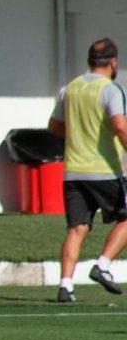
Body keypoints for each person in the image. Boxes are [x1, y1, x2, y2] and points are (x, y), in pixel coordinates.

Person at [48, 38, 127, 303]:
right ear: (113, 62)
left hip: (73, 171)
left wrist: (79, 134)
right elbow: (120, 126)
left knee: (76, 229)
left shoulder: (70, 88)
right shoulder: (111, 90)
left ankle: (65, 285)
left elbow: (54, 126)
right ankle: (103, 266)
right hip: (104, 171)